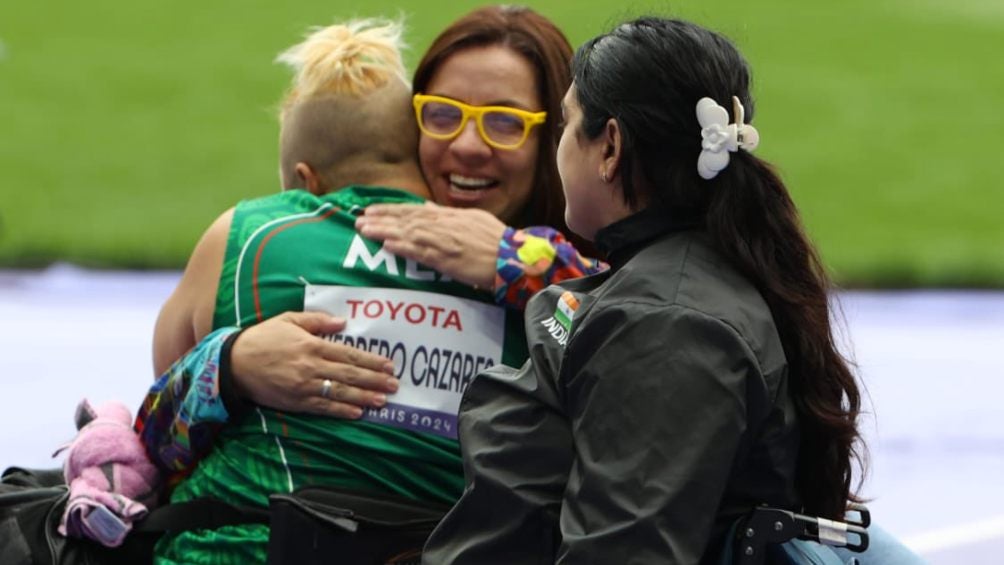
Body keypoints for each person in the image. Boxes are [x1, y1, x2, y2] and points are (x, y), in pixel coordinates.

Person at [422, 17, 868, 563]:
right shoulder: (687, 280)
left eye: (566, 125)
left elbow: (624, 551)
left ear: (610, 146)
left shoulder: (665, 324)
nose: (557, 148)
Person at [141, 19, 533, 563]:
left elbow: (162, 436)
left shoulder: (248, 232)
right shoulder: (537, 280)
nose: (468, 147)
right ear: (415, 148)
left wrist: (226, 365)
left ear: (305, 180)